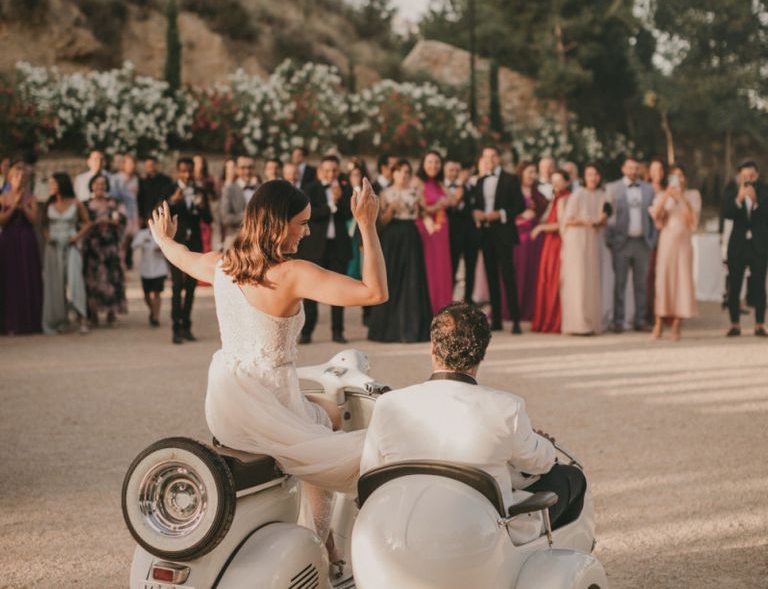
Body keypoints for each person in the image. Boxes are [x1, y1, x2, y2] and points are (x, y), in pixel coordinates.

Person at [147, 178, 387, 558]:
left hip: (226, 404)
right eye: (302, 223)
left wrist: (164, 240)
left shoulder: (222, 263)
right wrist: (367, 225)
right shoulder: (292, 274)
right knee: (328, 431)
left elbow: (182, 257)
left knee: (321, 420)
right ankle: (321, 547)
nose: (307, 231)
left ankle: (322, 542)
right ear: (278, 223)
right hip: (271, 398)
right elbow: (374, 292)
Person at [361, 302, 587, 541]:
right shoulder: (507, 407)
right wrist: (544, 444)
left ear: (432, 348)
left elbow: (369, 473)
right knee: (570, 477)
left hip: (404, 530)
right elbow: (539, 463)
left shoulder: (389, 404)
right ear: (482, 353)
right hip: (481, 536)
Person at [368, 159, 432, 342]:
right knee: (391, 278)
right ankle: (387, 330)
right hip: (392, 237)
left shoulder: (416, 193)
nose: (403, 175)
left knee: (413, 279)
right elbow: (381, 222)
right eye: (399, 171)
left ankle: (414, 329)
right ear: (393, 173)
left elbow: (424, 213)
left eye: (406, 172)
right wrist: (391, 210)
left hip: (411, 235)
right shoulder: (385, 193)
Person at [297, 155, 353, 344]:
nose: (330, 174)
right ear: (320, 171)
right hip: (314, 247)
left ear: (339, 171)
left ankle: (338, 331)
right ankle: (307, 331)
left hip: (338, 247)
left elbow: (348, 215)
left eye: (334, 170)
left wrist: (339, 200)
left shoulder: (346, 189)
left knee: (340, 290)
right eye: (326, 170)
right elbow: (310, 214)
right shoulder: (309, 189)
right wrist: (331, 205)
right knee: (311, 291)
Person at [472, 146, 525, 334]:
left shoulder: (510, 179)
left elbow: (520, 205)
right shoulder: (479, 181)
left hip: (504, 232)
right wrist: (476, 212)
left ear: (499, 159)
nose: (490, 160)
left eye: (493, 156)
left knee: (508, 275)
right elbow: (476, 205)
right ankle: (497, 321)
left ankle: (516, 320)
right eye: (486, 157)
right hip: (486, 234)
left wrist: (500, 214)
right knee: (491, 276)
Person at [604, 157, 657, 332]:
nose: (633, 171)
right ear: (623, 169)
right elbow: (608, 216)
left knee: (641, 283)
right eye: (630, 168)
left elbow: (654, 216)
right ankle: (618, 320)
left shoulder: (649, 189)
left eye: (636, 168)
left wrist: (652, 239)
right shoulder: (613, 188)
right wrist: (611, 241)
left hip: (642, 242)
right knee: (619, 283)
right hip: (622, 243)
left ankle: (640, 320)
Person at [649, 164, 700, 340]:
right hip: (666, 243)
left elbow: (692, 220)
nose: (678, 179)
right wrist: (666, 197)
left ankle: (677, 324)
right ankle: (659, 322)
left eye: (681, 175)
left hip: (684, 243)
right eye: (674, 176)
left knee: (682, 281)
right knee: (663, 281)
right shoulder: (663, 195)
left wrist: (681, 199)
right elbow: (655, 216)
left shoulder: (693, 195)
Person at [166, 157, 213, 344]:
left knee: (192, 287)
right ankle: (175, 327)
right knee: (177, 286)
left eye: (189, 171)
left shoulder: (200, 191)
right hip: (176, 245)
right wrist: (172, 201)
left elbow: (209, 219)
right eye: (183, 171)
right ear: (177, 171)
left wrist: (202, 207)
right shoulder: (169, 190)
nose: (186, 175)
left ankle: (187, 325)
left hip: (195, 244)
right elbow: (158, 212)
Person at [561, 163, 608, 336]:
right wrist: (586, 221)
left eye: (596, 174)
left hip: (592, 241)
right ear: (584, 176)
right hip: (577, 240)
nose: (593, 178)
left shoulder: (602, 195)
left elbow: (602, 220)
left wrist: (601, 220)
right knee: (578, 280)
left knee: (591, 280)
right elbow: (567, 220)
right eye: (589, 174)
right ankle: (576, 323)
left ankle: (591, 321)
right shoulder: (578, 194)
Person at [722, 161, 768, 337]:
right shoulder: (732, 189)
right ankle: (735, 323)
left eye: (752, 176)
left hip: (758, 244)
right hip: (738, 244)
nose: (748, 179)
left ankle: (759, 324)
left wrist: (756, 201)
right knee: (735, 285)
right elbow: (725, 212)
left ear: (757, 175)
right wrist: (739, 199)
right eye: (745, 176)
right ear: (740, 175)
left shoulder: (764, 189)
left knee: (759, 285)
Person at [41, 173, 90, 335]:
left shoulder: (75, 203)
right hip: (53, 247)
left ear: (61, 184)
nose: (51, 187)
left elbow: (87, 223)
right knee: (55, 283)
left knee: (75, 280)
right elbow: (43, 226)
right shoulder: (49, 204)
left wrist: (76, 237)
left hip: (71, 245)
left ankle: (82, 317)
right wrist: (48, 237)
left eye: (53, 184)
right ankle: (59, 319)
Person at [0, 162, 43, 335]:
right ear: (10, 178)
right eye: (17, 176)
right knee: (8, 279)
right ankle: (8, 322)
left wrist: (23, 206)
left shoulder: (31, 198)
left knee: (26, 277)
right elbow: (1, 220)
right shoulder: (3, 198)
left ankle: (29, 321)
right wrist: (13, 206)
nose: (20, 180)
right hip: (8, 240)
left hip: (26, 240)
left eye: (23, 177)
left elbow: (34, 221)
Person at [82, 174, 127, 327]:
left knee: (111, 278)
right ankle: (93, 313)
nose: (100, 187)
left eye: (102, 184)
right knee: (92, 279)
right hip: (93, 247)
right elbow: (81, 223)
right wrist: (95, 223)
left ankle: (111, 312)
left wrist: (109, 222)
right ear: (91, 186)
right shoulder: (85, 204)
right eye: (96, 184)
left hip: (110, 246)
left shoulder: (114, 203)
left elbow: (122, 220)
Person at [531, 170, 571, 333]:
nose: (555, 184)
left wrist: (541, 228)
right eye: (553, 181)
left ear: (566, 182)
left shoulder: (564, 198)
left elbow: (560, 224)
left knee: (553, 279)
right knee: (546, 279)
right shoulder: (556, 198)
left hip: (556, 243)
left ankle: (553, 320)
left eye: (559, 181)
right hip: (549, 243)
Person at [415, 151, 454, 314]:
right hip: (427, 229)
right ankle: (428, 308)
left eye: (437, 162)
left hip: (441, 232)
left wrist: (442, 201)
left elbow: (453, 199)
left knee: (441, 269)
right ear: (423, 163)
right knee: (429, 269)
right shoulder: (418, 182)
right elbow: (420, 207)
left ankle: (442, 308)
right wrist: (438, 205)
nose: (433, 165)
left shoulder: (439, 183)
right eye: (430, 162)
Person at [514, 161, 548, 322]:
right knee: (518, 271)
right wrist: (520, 216)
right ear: (521, 173)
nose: (532, 175)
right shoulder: (512, 191)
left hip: (534, 237)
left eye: (534, 172)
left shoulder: (538, 193)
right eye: (529, 172)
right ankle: (515, 308)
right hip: (518, 236)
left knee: (532, 272)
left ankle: (530, 309)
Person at [445, 160, 478, 303]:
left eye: (458, 170)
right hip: (451, 235)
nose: (455, 173)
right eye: (451, 170)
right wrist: (456, 198)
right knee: (451, 268)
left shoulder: (470, 188)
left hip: (470, 235)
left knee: (471, 268)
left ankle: (468, 299)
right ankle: (448, 300)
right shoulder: (443, 188)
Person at [132, 219, 168, 328]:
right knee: (146, 294)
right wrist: (143, 241)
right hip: (146, 270)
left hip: (159, 269)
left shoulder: (164, 235)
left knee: (157, 293)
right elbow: (133, 245)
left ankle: (156, 316)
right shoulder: (142, 234)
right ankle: (153, 310)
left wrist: (162, 249)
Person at [645, 158, 668, 324]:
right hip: (648, 237)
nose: (658, 173)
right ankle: (649, 313)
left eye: (660, 169)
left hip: (665, 235)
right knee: (648, 275)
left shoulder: (668, 189)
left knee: (664, 274)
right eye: (654, 169)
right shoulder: (644, 189)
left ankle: (665, 311)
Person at [220, 156, 257, 249]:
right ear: (236, 169)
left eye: (250, 167)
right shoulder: (229, 190)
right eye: (243, 168)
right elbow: (225, 218)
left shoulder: (261, 189)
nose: (247, 171)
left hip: (257, 241)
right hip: (234, 240)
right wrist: (246, 216)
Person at [137, 156, 174, 223]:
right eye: (147, 166)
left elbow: (166, 197)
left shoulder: (166, 180)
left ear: (157, 165)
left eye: (151, 165)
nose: (149, 168)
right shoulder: (142, 181)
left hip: (162, 214)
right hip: (146, 217)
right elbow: (140, 199)